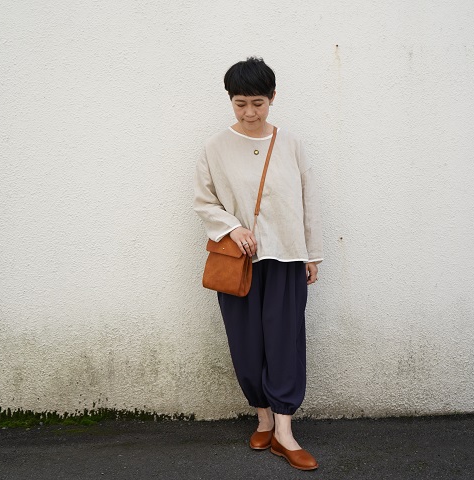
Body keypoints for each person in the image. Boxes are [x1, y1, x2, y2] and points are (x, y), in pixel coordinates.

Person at [193, 57, 323, 471]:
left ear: (272, 98)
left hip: (286, 257)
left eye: (258, 103)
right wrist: (232, 228)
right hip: (240, 262)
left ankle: (284, 431)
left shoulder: (291, 144)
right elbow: (204, 201)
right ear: (230, 100)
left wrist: (311, 254)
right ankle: (263, 417)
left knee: (285, 342)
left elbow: (308, 201)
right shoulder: (215, 147)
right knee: (246, 343)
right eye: (240, 103)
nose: (249, 113)